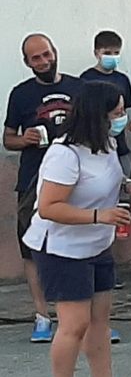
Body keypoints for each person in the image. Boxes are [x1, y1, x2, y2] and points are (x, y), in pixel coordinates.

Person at [22, 81, 131, 377]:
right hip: (62, 247)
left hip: (96, 244)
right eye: (117, 112)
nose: (122, 117)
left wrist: (127, 184)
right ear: (98, 114)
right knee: (73, 324)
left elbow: (105, 176)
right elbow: (49, 206)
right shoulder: (65, 153)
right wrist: (99, 215)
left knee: (99, 323)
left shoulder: (105, 143)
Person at [4, 33, 84, 343]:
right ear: (27, 63)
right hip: (32, 180)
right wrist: (22, 141)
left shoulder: (79, 88)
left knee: (79, 243)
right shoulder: (20, 94)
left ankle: (82, 317)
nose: (43, 61)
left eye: (46, 54)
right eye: (35, 58)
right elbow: (8, 138)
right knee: (31, 248)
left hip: (76, 178)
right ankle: (42, 316)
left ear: (55, 52)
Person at [80, 31, 131, 178]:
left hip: (120, 148)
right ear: (96, 53)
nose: (112, 56)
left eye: (116, 52)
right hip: (94, 149)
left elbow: (126, 113)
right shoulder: (86, 79)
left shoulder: (122, 79)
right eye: (107, 52)